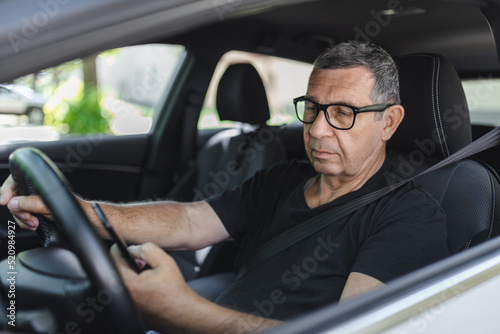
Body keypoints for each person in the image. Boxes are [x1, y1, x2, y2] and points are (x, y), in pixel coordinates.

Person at [0, 41, 449, 333]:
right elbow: (192, 220)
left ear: (389, 122)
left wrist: (182, 311)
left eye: (343, 114)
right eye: (312, 109)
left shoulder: (409, 214)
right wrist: (80, 211)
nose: (317, 131)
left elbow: (355, 329)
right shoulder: (283, 178)